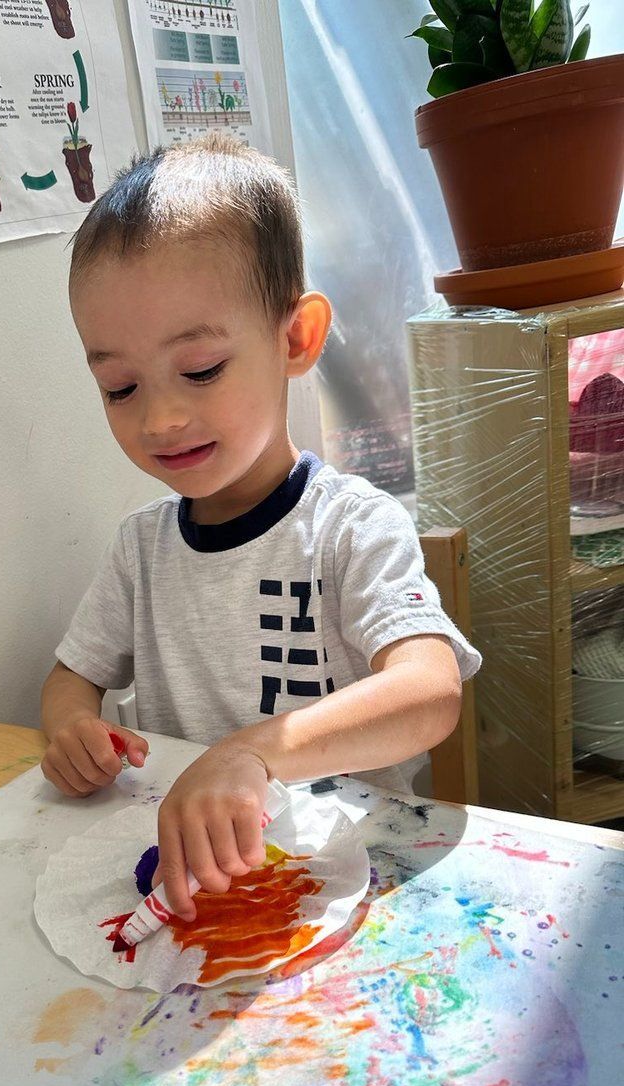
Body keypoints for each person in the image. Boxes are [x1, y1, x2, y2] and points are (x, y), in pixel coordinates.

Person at [40, 133, 480, 920]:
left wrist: (252, 752)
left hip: (354, 888)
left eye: (201, 369)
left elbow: (429, 691)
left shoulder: (349, 526)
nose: (162, 417)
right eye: (119, 387)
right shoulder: (142, 549)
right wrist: (72, 726)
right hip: (203, 885)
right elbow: (73, 677)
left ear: (296, 338)